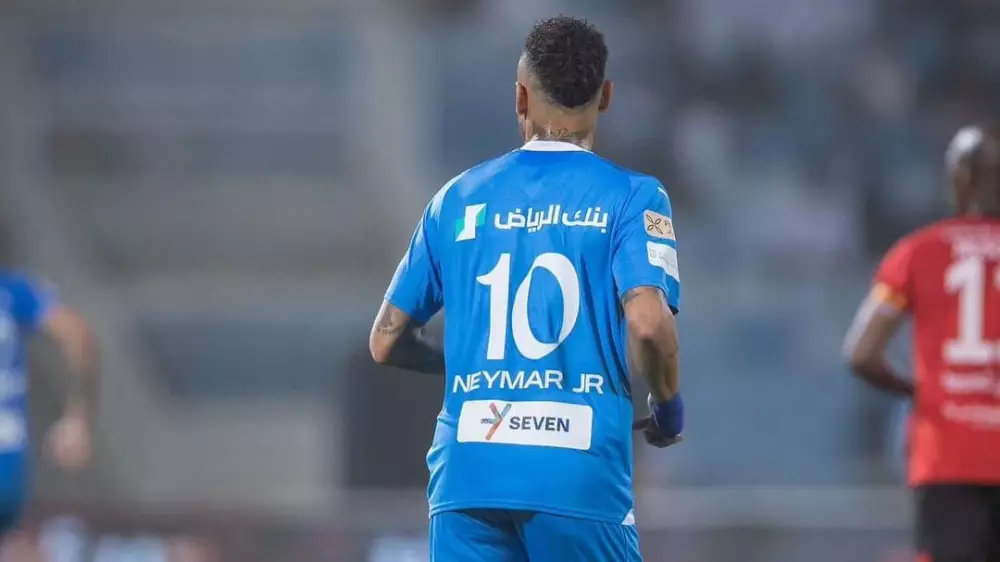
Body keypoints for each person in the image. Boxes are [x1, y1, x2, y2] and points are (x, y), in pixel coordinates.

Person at [369, 16, 683, 562]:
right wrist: (667, 404)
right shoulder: (634, 198)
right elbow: (649, 324)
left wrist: (462, 363)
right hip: (575, 473)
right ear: (605, 97)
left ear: (520, 97)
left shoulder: (456, 199)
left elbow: (385, 340)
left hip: (468, 475)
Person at [843, 123, 1000, 562]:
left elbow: (862, 354)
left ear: (958, 180)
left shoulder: (917, 252)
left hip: (948, 455)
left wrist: (919, 390)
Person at [0, 272, 97, 536]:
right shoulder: (12, 292)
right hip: (9, 464)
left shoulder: (11, 292)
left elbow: (75, 332)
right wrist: (78, 417)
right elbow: (76, 332)